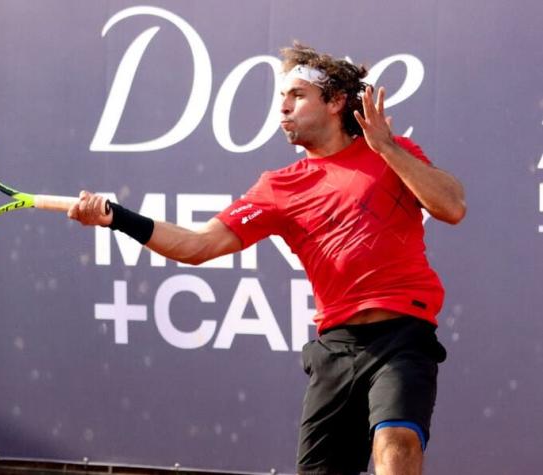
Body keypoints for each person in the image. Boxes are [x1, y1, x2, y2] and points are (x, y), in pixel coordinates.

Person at [68, 42, 466, 475]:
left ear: (334, 102)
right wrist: (116, 218)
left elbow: (452, 207)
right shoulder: (279, 188)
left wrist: (388, 147)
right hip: (334, 348)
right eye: (281, 99)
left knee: (397, 443)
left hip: (402, 337)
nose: (283, 109)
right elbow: (196, 245)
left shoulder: (393, 153)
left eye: (297, 96)